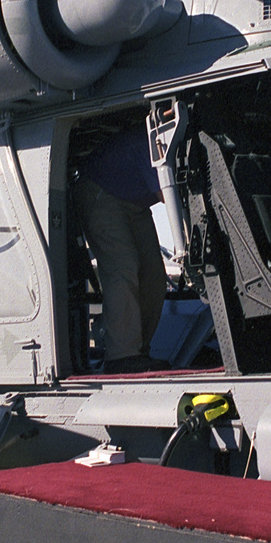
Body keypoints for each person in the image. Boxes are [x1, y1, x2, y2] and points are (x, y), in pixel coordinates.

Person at [76, 119, 168, 374]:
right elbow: (169, 197)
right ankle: (122, 356)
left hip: (134, 202)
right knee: (123, 268)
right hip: (100, 192)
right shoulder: (151, 142)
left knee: (154, 276)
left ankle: (139, 352)